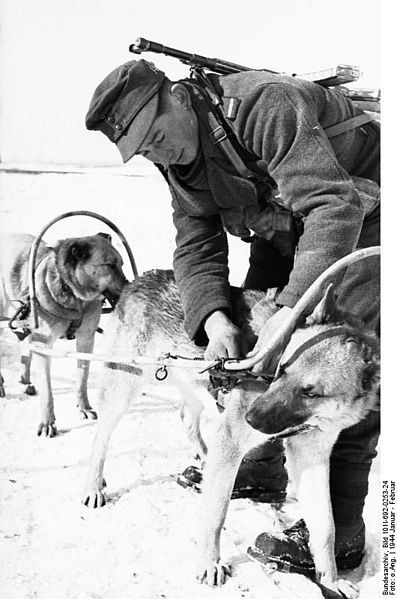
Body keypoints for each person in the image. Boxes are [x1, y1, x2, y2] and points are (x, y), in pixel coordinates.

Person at [85, 58, 380, 576]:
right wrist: (215, 318)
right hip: (283, 226)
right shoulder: (179, 162)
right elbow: (197, 246)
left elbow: (333, 205)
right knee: (259, 348)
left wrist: (291, 311)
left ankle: (345, 534)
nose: (160, 152)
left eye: (157, 133)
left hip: (362, 218)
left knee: (335, 369)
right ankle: (258, 470)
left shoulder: (265, 105)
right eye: (146, 150)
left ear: (178, 97)